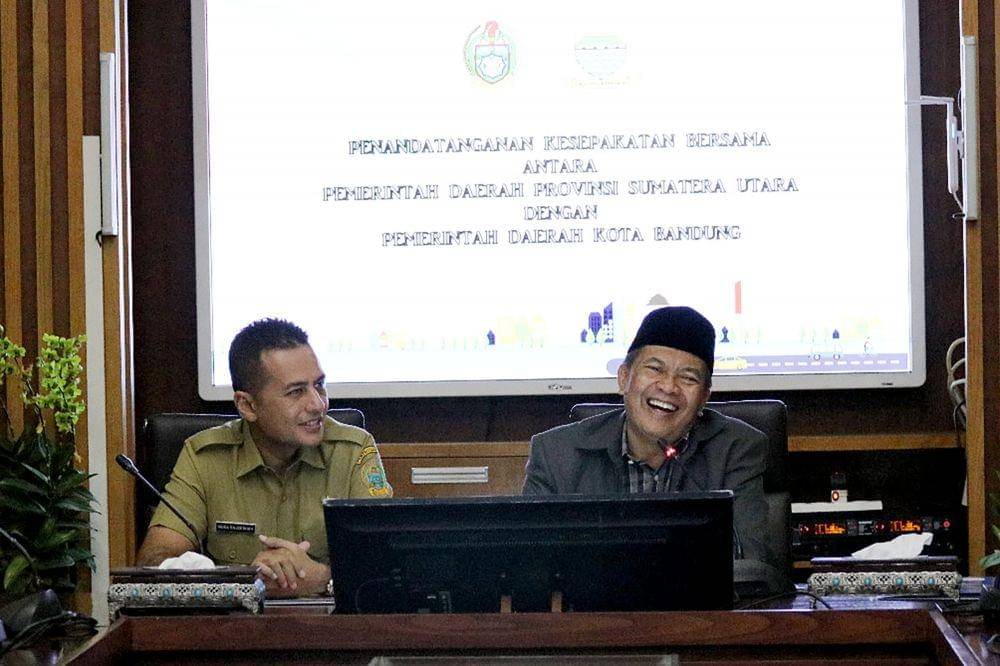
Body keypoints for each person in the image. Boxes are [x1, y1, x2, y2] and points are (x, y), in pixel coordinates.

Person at [136, 318, 392, 597]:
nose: (318, 404)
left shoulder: (353, 451)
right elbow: (155, 559)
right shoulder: (205, 458)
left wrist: (323, 580)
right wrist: (245, 581)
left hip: (328, 622)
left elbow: (388, 565)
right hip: (236, 622)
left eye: (319, 385)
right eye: (296, 392)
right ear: (247, 405)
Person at [521, 305, 773, 565]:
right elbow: (527, 562)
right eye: (655, 369)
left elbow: (750, 564)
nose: (668, 387)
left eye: (688, 378)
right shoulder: (555, 454)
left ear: (704, 398)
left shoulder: (737, 449)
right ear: (624, 379)